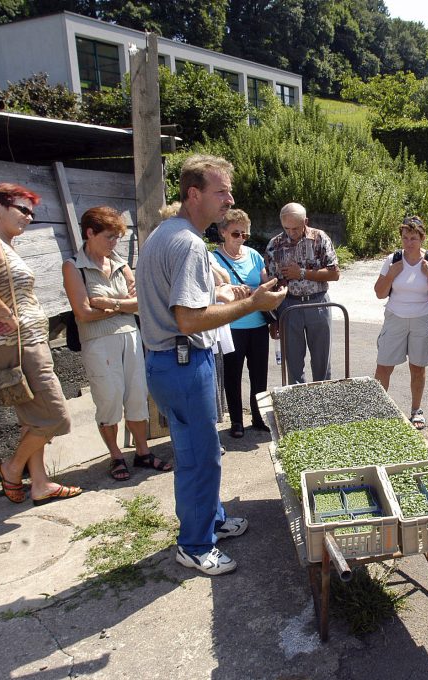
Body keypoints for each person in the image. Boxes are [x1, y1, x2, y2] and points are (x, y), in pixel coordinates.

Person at [136, 154, 286, 576]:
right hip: (183, 361)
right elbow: (188, 318)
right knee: (201, 457)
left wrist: (230, 296)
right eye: (221, 192)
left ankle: (211, 521)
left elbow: (184, 305)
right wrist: (252, 303)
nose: (230, 199)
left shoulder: (166, 233)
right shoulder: (187, 243)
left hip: (170, 362)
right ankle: (195, 545)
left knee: (198, 451)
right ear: (194, 194)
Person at [0, 183, 81, 505]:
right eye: (22, 209)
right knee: (55, 418)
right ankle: (12, 468)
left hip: (27, 343)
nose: (29, 217)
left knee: (33, 419)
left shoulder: (1, 243)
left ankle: (39, 483)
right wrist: (4, 313)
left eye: (32, 212)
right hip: (20, 346)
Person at [61, 206, 171, 482]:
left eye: (117, 238)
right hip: (98, 342)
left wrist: (110, 304)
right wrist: (123, 306)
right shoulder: (74, 267)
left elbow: (141, 304)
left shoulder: (120, 264)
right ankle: (116, 455)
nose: (114, 243)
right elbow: (83, 313)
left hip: (130, 336)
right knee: (108, 399)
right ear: (90, 233)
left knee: (137, 395)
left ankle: (143, 452)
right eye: (109, 237)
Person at [372, 216, 428, 429]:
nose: (409, 243)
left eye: (414, 238)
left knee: (418, 367)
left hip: (422, 319)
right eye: (405, 238)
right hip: (395, 317)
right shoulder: (393, 260)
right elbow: (379, 293)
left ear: (422, 238)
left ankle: (416, 410)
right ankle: (378, 411)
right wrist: (391, 275)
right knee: (383, 367)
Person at [208, 209, 271, 438]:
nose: (241, 238)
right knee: (232, 377)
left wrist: (256, 291)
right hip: (231, 326)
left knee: (259, 375)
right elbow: (213, 290)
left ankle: (259, 417)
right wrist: (234, 292)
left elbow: (265, 285)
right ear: (223, 232)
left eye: (245, 234)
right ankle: (236, 421)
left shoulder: (254, 255)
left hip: (257, 325)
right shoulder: (213, 259)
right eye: (236, 233)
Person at [264, 202, 339, 385]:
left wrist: (303, 273)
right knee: (294, 363)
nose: (291, 233)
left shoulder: (320, 238)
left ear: (305, 221)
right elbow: (270, 283)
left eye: (295, 228)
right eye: (286, 228)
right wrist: (273, 319)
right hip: (289, 306)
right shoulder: (275, 244)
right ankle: (299, 406)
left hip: (318, 303)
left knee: (322, 361)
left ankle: (322, 404)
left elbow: (334, 273)